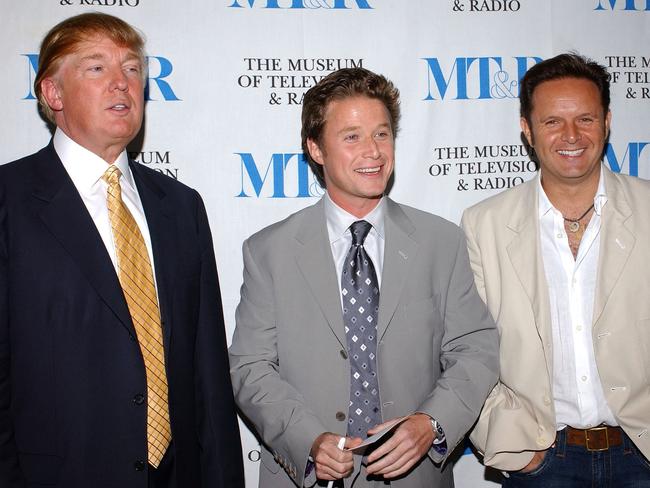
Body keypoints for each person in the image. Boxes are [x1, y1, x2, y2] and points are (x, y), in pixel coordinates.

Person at [0, 13, 244, 488]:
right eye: (97, 68)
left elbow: (207, 375)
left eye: (132, 69)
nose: (122, 84)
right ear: (53, 94)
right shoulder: (9, 199)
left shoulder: (180, 206)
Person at [229, 67, 499, 488]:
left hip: (416, 476)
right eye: (351, 136)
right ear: (315, 149)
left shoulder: (440, 242)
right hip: (309, 476)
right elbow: (251, 367)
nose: (373, 151)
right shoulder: (269, 251)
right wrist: (307, 440)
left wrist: (431, 423)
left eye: (382, 134)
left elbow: (475, 349)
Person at [462, 52, 650, 486]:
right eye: (552, 121)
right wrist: (511, 443)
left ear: (607, 121)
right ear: (527, 129)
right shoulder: (483, 223)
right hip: (542, 460)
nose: (571, 135)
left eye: (585, 118)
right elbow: (467, 348)